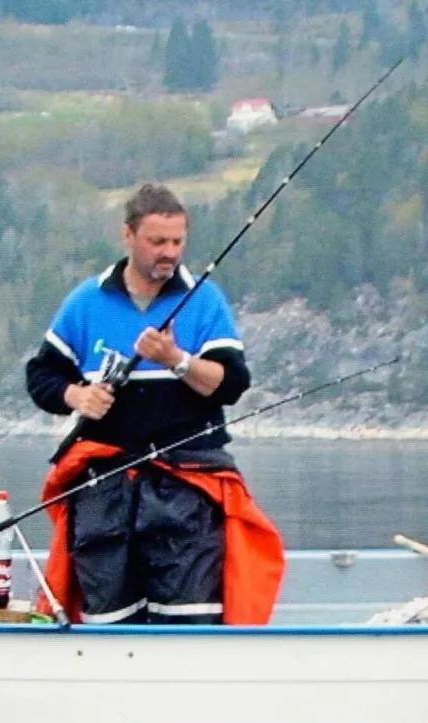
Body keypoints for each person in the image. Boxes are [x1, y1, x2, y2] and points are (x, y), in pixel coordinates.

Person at [24, 182, 284, 625]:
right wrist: (77, 395)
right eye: (157, 241)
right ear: (128, 237)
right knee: (106, 614)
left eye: (178, 242)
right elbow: (41, 375)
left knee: (188, 614)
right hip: (103, 483)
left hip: (187, 482)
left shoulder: (203, 300)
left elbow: (231, 383)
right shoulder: (86, 301)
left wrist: (177, 359)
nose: (169, 252)